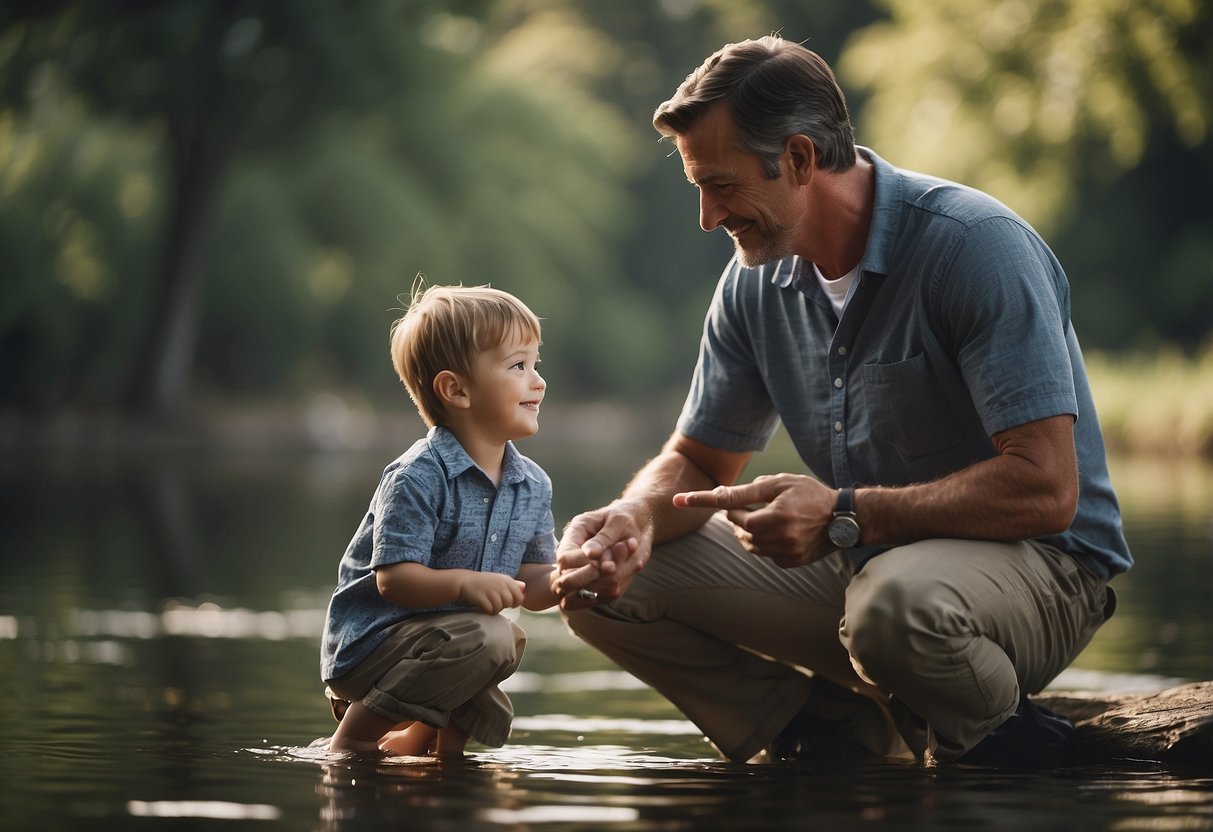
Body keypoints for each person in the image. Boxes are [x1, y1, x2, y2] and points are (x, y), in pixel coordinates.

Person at [552, 35, 1131, 770]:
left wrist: (842, 513)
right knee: (598, 583)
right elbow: (698, 459)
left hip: (1040, 568)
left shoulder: (975, 247)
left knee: (891, 609)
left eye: (721, 185)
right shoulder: (751, 284)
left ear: (798, 159)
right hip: (868, 562)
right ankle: (825, 731)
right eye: (699, 187)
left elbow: (1047, 489)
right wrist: (630, 518)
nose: (707, 216)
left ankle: (1000, 748)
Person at [320, 283, 561, 756]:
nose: (538, 381)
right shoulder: (417, 477)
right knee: (489, 635)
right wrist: (463, 585)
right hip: (371, 648)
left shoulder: (533, 485)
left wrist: (574, 576)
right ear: (456, 389)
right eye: (518, 366)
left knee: (502, 655)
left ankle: (427, 753)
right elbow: (394, 580)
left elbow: (533, 585)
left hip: (449, 641)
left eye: (537, 364)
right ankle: (350, 740)